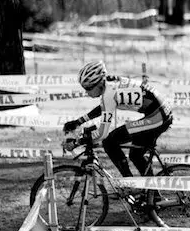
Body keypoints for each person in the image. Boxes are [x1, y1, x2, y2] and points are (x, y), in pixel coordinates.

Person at [63, 60, 174, 204]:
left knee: (110, 141)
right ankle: (152, 194)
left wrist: (78, 142)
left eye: (88, 88)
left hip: (157, 116)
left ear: (98, 83)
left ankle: (130, 185)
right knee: (135, 154)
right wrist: (79, 121)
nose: (87, 92)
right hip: (159, 111)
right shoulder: (109, 84)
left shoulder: (109, 92)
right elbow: (103, 107)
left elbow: (102, 133)